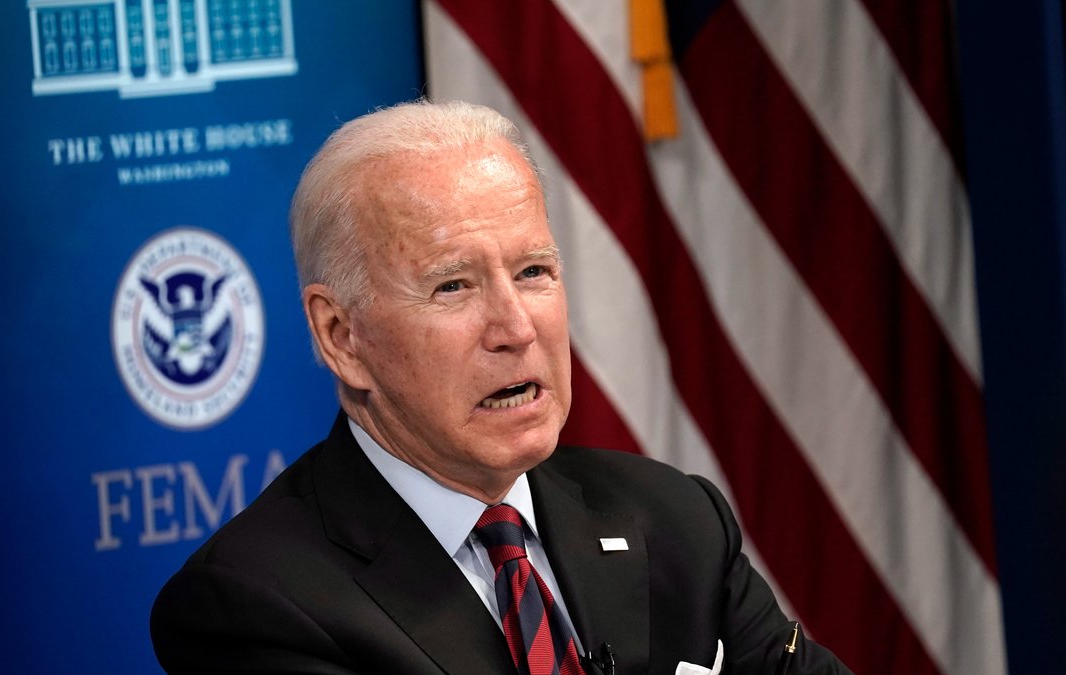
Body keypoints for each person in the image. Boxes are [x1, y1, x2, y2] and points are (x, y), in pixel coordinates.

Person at [150, 100, 851, 674]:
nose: (514, 327)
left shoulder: (674, 520)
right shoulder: (253, 604)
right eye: (452, 285)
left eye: (533, 272)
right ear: (341, 336)